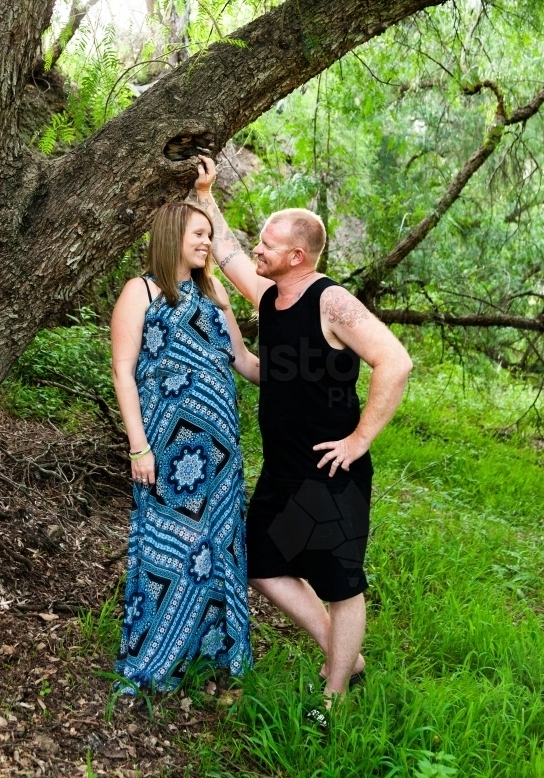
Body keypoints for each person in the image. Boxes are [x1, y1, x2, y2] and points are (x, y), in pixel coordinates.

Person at [190, 157, 413, 700]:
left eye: (268, 243)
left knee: (341, 583)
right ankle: (345, 652)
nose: (258, 249)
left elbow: (396, 361)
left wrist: (359, 441)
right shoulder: (270, 297)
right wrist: (204, 192)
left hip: (332, 469)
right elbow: (227, 253)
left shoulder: (331, 300)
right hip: (285, 467)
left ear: (297, 255)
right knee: (263, 563)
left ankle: (335, 696)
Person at [110, 201, 259, 692]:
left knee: (218, 549)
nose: (206, 243)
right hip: (168, 451)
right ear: (172, 233)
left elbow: (244, 362)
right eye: (198, 233)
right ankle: (155, 659)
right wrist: (138, 446)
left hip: (219, 452)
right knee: (170, 550)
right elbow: (123, 373)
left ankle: (212, 656)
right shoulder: (142, 291)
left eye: (209, 235)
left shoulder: (214, 293)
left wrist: (307, 364)